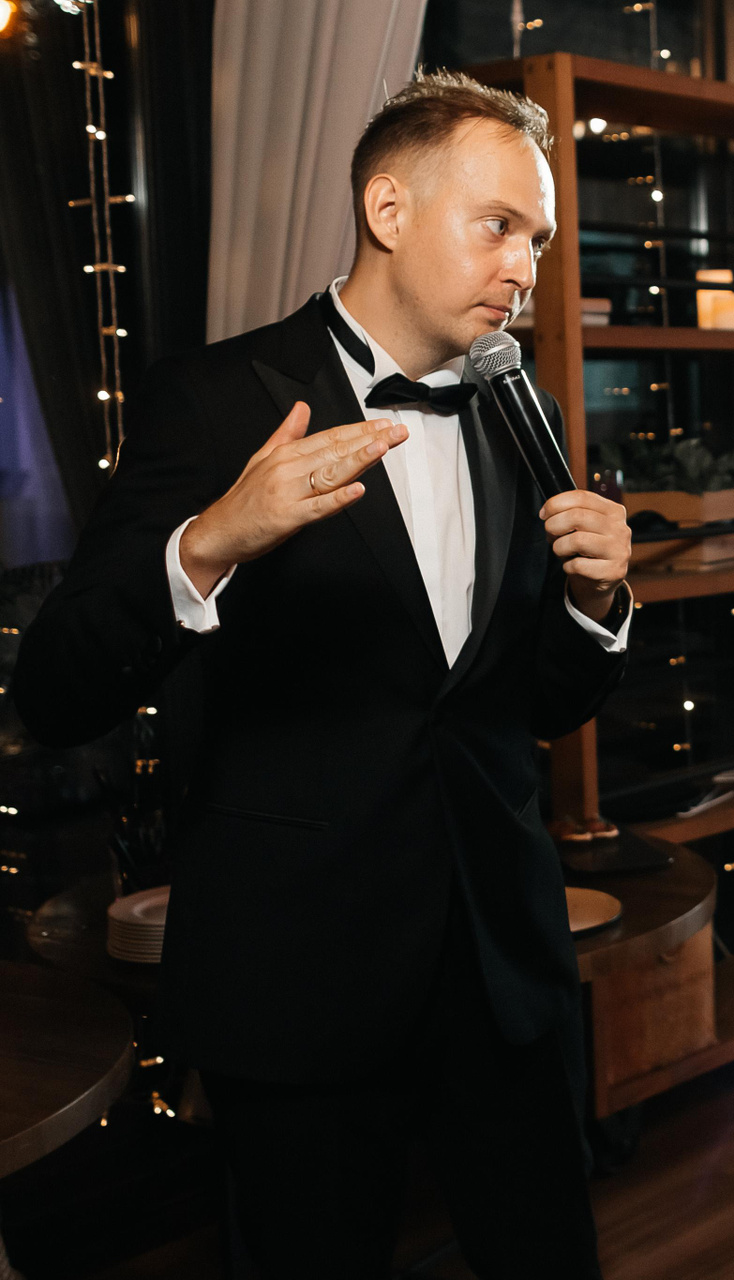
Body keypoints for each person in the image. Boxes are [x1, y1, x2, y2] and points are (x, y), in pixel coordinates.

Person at [13, 71, 632, 1278]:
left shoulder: (530, 411)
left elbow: (535, 706)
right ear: (388, 208)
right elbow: (55, 690)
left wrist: (598, 605)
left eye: (540, 240)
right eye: (499, 226)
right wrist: (208, 544)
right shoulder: (211, 400)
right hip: (300, 980)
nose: (524, 268)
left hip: (503, 969)